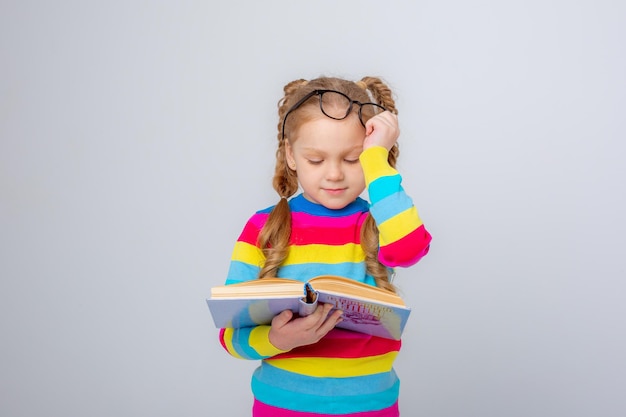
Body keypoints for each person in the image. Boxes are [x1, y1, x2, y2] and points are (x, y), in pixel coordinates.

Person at [218, 75, 432, 416]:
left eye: (352, 159)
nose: (334, 174)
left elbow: (409, 248)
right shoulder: (263, 227)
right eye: (316, 160)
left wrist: (378, 158)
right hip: (283, 408)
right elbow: (230, 336)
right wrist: (278, 340)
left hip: (371, 407)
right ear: (291, 154)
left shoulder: (382, 218)